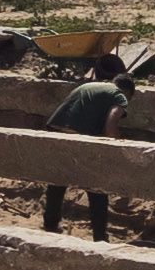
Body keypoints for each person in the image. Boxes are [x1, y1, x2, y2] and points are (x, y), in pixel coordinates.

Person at [41, 52, 129, 240]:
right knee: (96, 185)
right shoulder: (120, 95)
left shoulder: (87, 86)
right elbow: (111, 123)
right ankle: (99, 235)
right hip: (78, 133)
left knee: (58, 179)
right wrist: (115, 149)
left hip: (55, 128)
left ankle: (50, 224)